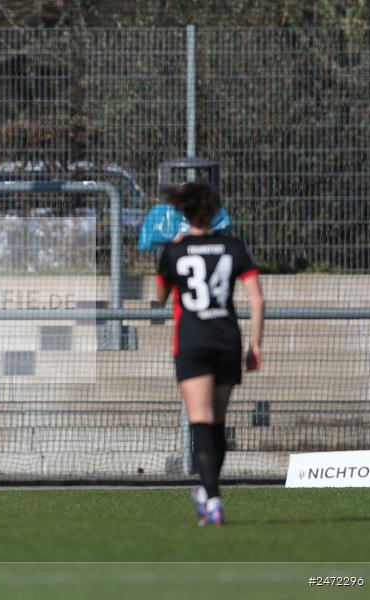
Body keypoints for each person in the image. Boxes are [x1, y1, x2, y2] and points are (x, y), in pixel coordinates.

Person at [154, 182, 264, 526]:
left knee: (199, 421)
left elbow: (159, 297)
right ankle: (207, 492)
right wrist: (255, 345)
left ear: (184, 213)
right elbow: (257, 299)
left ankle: (213, 498)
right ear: (215, 211)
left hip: (192, 341)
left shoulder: (175, 251)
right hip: (227, 340)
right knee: (216, 423)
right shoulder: (233, 247)